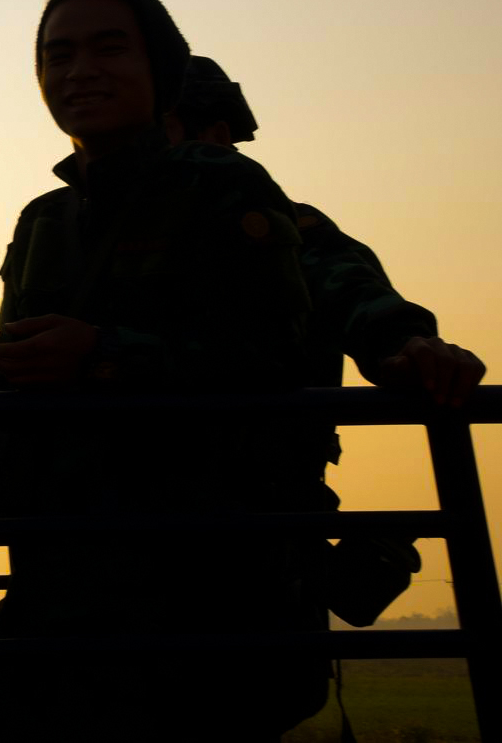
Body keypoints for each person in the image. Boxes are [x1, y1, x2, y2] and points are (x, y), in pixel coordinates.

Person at [0, 0, 319, 742]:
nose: (79, 70)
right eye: (58, 54)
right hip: (64, 570)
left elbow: (277, 356)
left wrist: (106, 357)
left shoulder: (224, 186)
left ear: (161, 69)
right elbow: (10, 383)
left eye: (109, 47)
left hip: (203, 574)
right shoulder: (44, 218)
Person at [169, 55, 485, 625]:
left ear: (214, 136)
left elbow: (353, 295)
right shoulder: (79, 235)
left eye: (161, 131)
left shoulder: (281, 229)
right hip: (102, 530)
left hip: (251, 526)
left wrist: (406, 344)